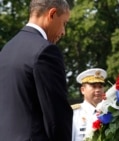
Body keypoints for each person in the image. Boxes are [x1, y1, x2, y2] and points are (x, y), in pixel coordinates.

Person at [0, 0, 73, 141]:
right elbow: (56, 118)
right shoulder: (45, 51)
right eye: (64, 23)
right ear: (52, 14)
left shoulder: (6, 50)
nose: (63, 32)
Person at [71, 68, 107, 141]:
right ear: (83, 90)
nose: (98, 90)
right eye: (93, 86)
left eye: (100, 86)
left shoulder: (108, 112)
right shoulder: (74, 114)